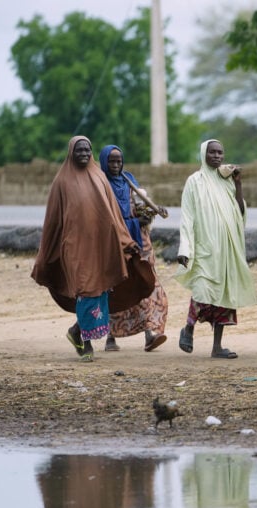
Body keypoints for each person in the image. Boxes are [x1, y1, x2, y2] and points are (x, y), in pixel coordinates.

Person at [31, 136, 154, 362]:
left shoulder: (99, 176)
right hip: (75, 247)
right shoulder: (62, 182)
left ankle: (77, 330)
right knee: (85, 290)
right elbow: (53, 221)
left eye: (87, 150)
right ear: (71, 152)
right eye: (79, 150)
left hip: (101, 247)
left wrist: (126, 242)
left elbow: (112, 215)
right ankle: (86, 343)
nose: (84, 154)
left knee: (101, 290)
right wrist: (47, 252)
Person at [174, 139, 257, 358]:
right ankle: (189, 328)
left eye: (220, 153)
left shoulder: (227, 181)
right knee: (202, 290)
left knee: (224, 296)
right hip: (205, 248)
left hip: (227, 250)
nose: (217, 156)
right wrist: (185, 248)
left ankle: (217, 346)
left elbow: (240, 213)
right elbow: (187, 217)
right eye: (212, 152)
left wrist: (238, 183)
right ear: (204, 154)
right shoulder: (194, 181)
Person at [98, 145, 169, 353]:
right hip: (114, 243)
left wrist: (151, 213)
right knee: (116, 288)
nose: (116, 165)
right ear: (104, 162)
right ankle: (110, 336)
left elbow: (142, 209)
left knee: (145, 283)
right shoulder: (101, 186)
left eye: (119, 161)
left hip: (139, 240)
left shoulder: (130, 183)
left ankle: (150, 333)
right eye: (111, 161)